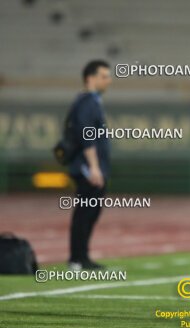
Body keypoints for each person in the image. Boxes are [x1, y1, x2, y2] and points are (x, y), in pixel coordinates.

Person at [68, 60, 112, 271]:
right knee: (84, 214)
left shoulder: (92, 101)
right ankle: (77, 259)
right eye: (104, 76)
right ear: (90, 78)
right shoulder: (87, 102)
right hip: (88, 168)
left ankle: (82, 256)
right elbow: (87, 137)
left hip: (93, 167)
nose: (108, 80)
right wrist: (94, 168)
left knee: (89, 213)